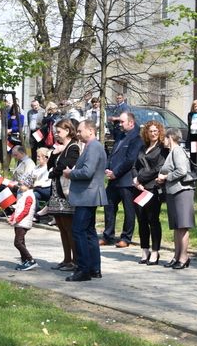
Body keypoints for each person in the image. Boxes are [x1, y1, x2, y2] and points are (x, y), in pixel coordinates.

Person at [63, 120, 108, 282]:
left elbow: (88, 172)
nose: (78, 133)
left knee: (78, 231)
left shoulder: (94, 146)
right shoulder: (92, 146)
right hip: (88, 195)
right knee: (89, 232)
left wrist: (70, 174)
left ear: (90, 131)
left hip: (87, 195)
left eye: (80, 130)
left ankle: (83, 270)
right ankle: (94, 268)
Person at [100, 111, 143, 249]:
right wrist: (108, 168)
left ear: (131, 123)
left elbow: (130, 160)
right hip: (113, 179)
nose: (120, 124)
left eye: (122, 122)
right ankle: (108, 235)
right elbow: (113, 154)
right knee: (109, 205)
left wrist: (116, 173)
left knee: (128, 210)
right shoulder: (120, 135)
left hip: (126, 180)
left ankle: (126, 237)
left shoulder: (136, 138)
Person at [156, 128, 195, 269]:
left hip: (182, 191)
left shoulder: (177, 151)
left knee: (182, 226)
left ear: (170, 137)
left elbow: (182, 171)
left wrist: (166, 177)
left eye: (164, 138)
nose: (163, 141)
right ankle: (177, 256)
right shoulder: (172, 152)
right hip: (173, 192)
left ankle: (184, 257)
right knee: (176, 226)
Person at [131, 120, 169, 266]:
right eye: (150, 131)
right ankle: (144, 249)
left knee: (153, 220)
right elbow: (134, 166)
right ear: (146, 133)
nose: (153, 133)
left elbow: (158, 168)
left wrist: (140, 179)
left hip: (152, 188)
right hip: (138, 189)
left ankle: (155, 251)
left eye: (155, 131)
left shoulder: (162, 149)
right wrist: (136, 180)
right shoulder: (143, 147)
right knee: (141, 220)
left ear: (159, 132)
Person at [46, 119, 80, 271]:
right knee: (61, 226)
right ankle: (66, 259)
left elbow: (64, 166)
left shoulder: (73, 147)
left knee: (68, 227)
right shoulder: (59, 148)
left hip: (65, 193)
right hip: (56, 192)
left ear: (67, 131)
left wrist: (53, 172)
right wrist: (54, 154)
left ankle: (75, 260)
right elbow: (50, 165)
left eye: (58, 131)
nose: (56, 134)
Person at [7, 174, 38, 271]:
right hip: (19, 222)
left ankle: (31, 260)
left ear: (28, 185)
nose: (19, 186)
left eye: (21, 184)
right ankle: (25, 260)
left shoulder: (29, 196)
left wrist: (16, 220)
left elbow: (25, 211)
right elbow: (18, 209)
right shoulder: (23, 195)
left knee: (17, 243)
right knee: (21, 242)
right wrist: (12, 217)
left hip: (23, 222)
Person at [186, 99, 197, 164]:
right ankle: (194, 165)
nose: (196, 108)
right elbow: (189, 125)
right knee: (193, 152)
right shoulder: (190, 114)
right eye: (195, 106)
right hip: (193, 135)